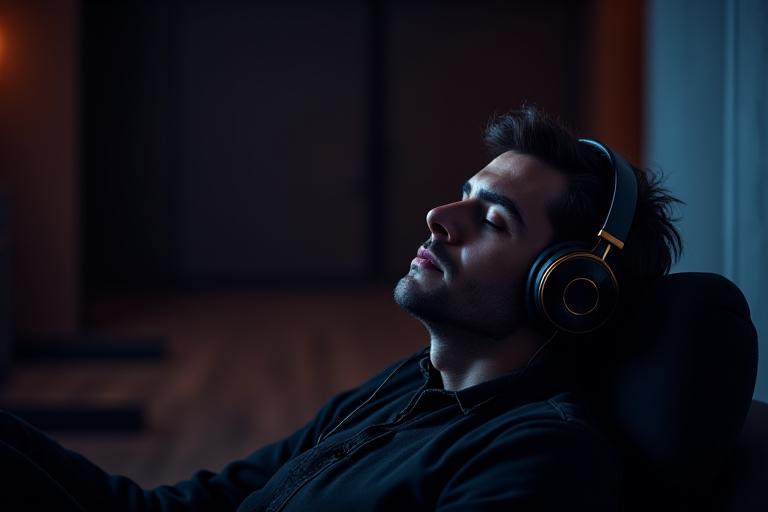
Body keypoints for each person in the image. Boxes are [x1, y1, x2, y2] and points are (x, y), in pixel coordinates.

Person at [0, 106, 681, 511]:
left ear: (567, 288)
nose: (440, 216)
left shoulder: (541, 459)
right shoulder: (412, 385)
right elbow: (188, 506)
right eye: (464, 195)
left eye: (492, 220)